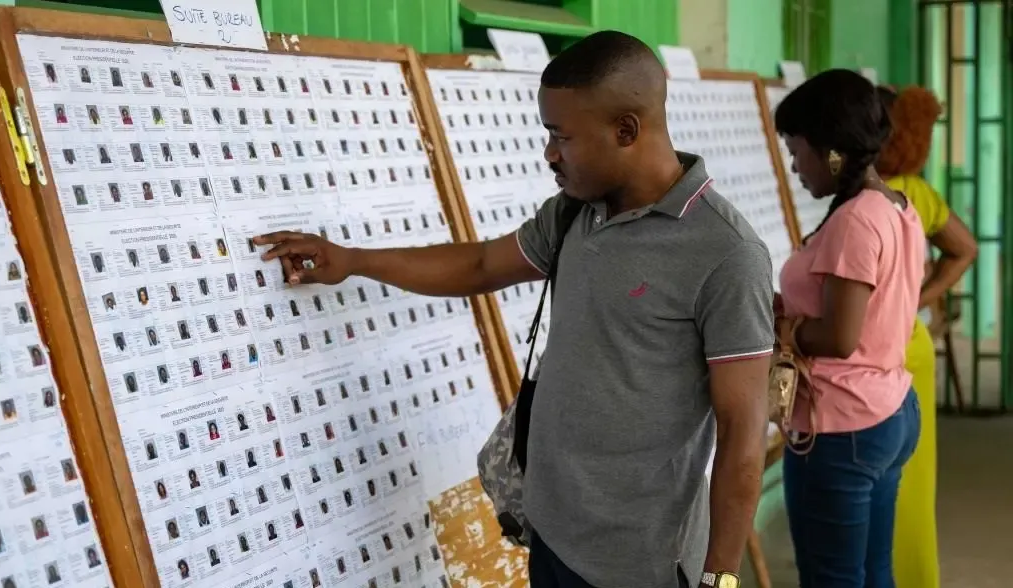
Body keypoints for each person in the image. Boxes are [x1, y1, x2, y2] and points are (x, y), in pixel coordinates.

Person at [254, 31, 772, 588]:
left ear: (626, 130)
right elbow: (479, 265)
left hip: (640, 563)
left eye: (561, 137)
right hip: (550, 531)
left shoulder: (726, 254)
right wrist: (351, 259)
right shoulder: (574, 213)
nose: (549, 153)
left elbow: (741, 432)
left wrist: (721, 577)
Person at [774, 69, 924, 587]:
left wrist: (787, 332)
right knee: (870, 570)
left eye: (797, 151)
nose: (794, 167)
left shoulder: (855, 220)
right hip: (888, 410)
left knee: (832, 578)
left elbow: (840, 337)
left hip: (842, 426)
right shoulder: (896, 207)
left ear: (832, 151)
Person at [876, 85, 978, 588]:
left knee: (873, 484)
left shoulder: (865, 195)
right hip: (910, 345)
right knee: (911, 483)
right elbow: (964, 249)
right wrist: (920, 298)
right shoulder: (916, 193)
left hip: (874, 357)